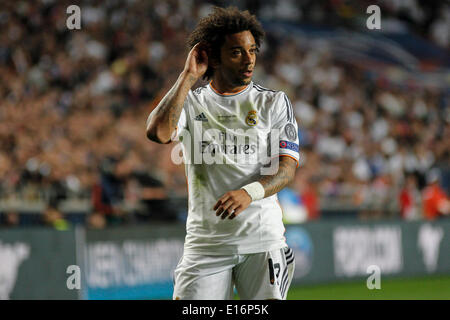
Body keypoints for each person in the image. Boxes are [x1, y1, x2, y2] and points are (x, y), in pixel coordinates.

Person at [146, 7, 300, 300]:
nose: (249, 59)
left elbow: (286, 169)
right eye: (237, 52)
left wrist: (249, 192)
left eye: (252, 50)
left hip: (262, 240)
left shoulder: (273, 103)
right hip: (206, 244)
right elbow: (158, 133)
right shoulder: (190, 104)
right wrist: (188, 75)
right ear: (213, 57)